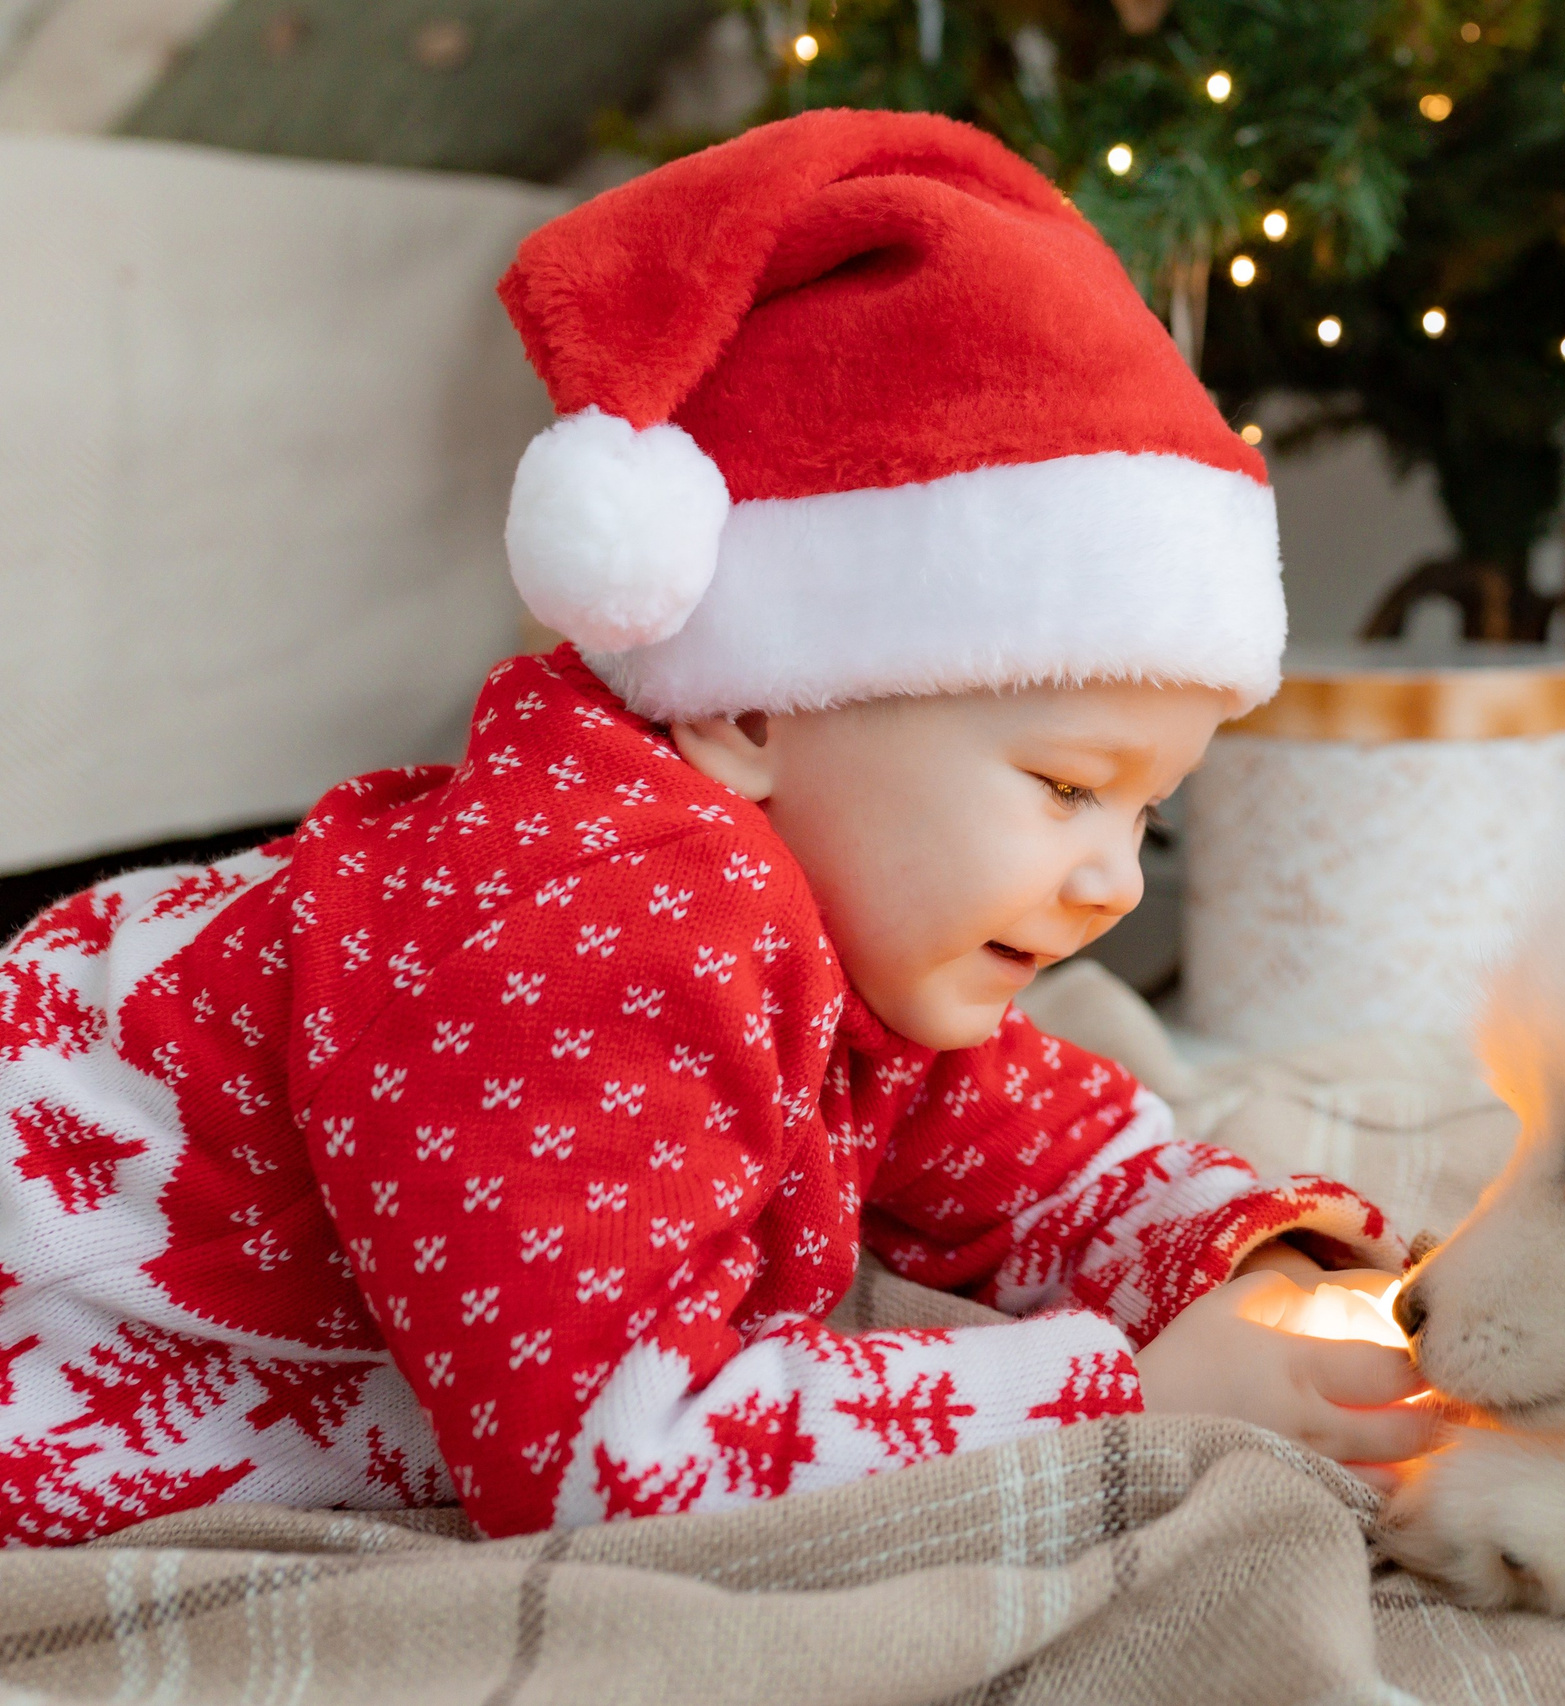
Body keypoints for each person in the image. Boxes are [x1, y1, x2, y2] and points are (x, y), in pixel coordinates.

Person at [0, 110, 1435, 1546]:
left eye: (1146, 810)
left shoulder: (856, 924)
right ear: (752, 708)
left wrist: (1269, 1261)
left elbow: (1043, 1149)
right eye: (1067, 785)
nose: (1116, 879)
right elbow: (614, 1463)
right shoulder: (601, 918)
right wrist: (1130, 1390)